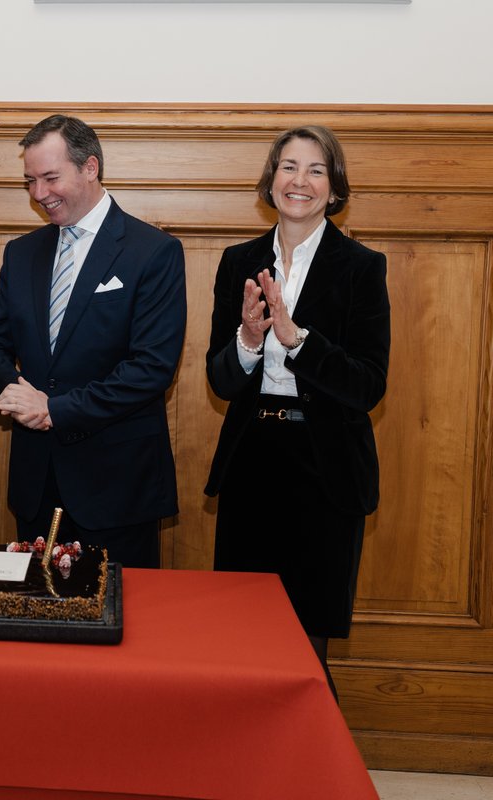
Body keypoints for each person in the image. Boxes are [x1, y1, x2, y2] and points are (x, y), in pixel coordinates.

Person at [205, 125, 390, 696]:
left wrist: (299, 340)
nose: (300, 181)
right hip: (251, 463)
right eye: (289, 167)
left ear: (333, 189)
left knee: (306, 644)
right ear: (271, 180)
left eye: (315, 169)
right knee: (243, 636)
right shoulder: (240, 261)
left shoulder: (361, 266)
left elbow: (367, 386)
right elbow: (220, 378)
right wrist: (251, 341)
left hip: (325, 469)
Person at [0, 114, 186, 569]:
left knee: (121, 626)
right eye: (30, 181)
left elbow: (151, 368)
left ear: (90, 167)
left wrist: (53, 410)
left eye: (50, 177)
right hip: (37, 485)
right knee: (38, 624)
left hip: (118, 489)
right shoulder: (21, 252)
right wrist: (15, 391)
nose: (39, 193)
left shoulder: (153, 251)